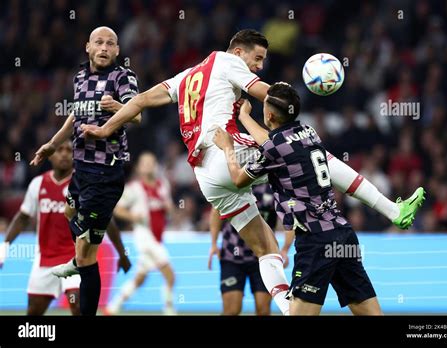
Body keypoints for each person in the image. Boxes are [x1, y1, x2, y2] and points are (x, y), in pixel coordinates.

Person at [81, 29, 425, 314]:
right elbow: (267, 96)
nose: (258, 67)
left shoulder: (187, 76)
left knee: (266, 247)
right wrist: (294, 95)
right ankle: (394, 210)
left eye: (262, 62)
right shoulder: (227, 61)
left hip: (207, 178)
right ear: (238, 50)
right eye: (256, 59)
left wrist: (103, 128)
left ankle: (288, 306)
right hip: (224, 153)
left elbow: (139, 101)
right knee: (307, 148)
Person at [213, 82, 424, 315]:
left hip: (315, 241)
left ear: (269, 114)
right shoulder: (308, 132)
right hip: (342, 233)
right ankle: (393, 209)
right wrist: (244, 118)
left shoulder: (272, 149)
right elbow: (273, 142)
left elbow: (238, 179)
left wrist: (227, 148)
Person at [30, 26, 139, 316]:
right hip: (81, 169)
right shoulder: (80, 77)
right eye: (99, 43)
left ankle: (81, 276)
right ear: (87, 47)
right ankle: (79, 261)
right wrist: (53, 144)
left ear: (117, 51)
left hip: (105, 173)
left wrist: (115, 106)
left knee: (87, 251)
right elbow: (76, 114)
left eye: (110, 44)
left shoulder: (122, 77)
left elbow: (137, 114)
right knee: (69, 215)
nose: (104, 48)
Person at [0, 141, 131, 315]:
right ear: (51, 154)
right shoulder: (38, 184)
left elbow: (107, 220)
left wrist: (122, 254)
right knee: (33, 312)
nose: (64, 154)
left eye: (69, 150)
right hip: (45, 261)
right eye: (59, 150)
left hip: (76, 258)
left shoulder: (84, 184)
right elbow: (23, 217)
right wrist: (5, 245)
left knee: (77, 305)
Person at [105, 152, 177, 315]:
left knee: (140, 278)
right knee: (170, 275)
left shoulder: (163, 185)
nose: (149, 166)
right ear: (138, 167)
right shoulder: (134, 188)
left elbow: (169, 210)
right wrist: (133, 216)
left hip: (158, 237)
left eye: (151, 163)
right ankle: (169, 310)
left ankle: (113, 306)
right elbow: (118, 209)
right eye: (145, 163)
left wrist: (169, 209)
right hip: (144, 236)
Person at [208, 183, 280, 315]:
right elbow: (215, 211)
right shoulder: (232, 183)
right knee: (231, 310)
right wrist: (213, 244)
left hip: (262, 258)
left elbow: (289, 214)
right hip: (232, 256)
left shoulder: (272, 187)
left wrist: (286, 249)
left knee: (263, 310)